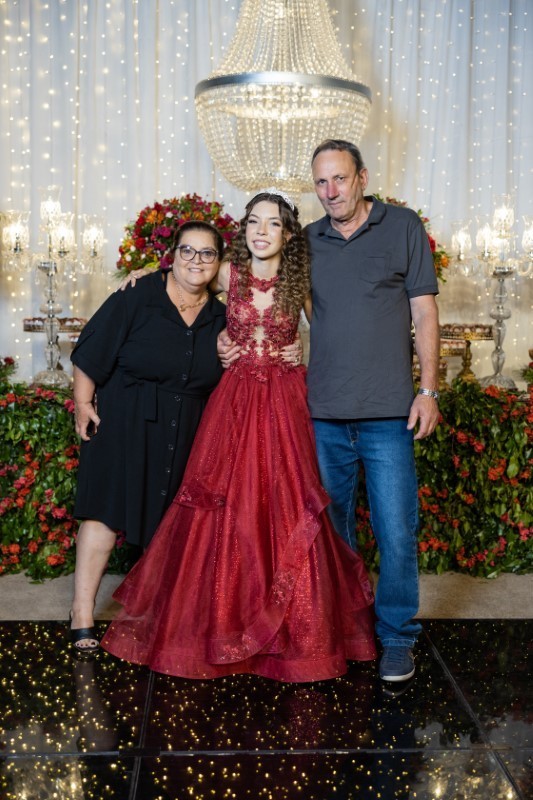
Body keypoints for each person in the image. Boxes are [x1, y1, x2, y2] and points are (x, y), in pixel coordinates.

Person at [100, 190, 377, 682]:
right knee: (223, 502)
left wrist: (304, 352)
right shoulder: (229, 274)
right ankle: (223, 621)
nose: (261, 231)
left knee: (287, 501)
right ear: (243, 229)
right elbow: (184, 277)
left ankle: (298, 634)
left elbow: (335, 333)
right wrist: (143, 274)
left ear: (288, 235)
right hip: (235, 400)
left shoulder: (300, 280)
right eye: (253, 222)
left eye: (273, 224)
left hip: (285, 400)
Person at [220, 142, 440, 683]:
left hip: (389, 411)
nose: (331, 191)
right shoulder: (307, 242)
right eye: (321, 182)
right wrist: (222, 335)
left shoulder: (403, 227)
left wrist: (429, 391)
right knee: (327, 531)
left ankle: (396, 637)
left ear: (362, 177)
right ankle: (346, 628)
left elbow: (424, 312)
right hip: (319, 413)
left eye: (340, 179)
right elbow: (253, 288)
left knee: (395, 530)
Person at [69, 221, 228, 653]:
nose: (196, 260)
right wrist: (83, 402)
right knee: (105, 512)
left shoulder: (221, 315)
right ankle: (82, 613)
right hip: (125, 417)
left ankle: (153, 613)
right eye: (187, 250)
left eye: (207, 253)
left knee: (169, 524)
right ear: (172, 254)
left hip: (187, 428)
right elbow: (92, 347)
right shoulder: (137, 294)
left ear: (218, 262)